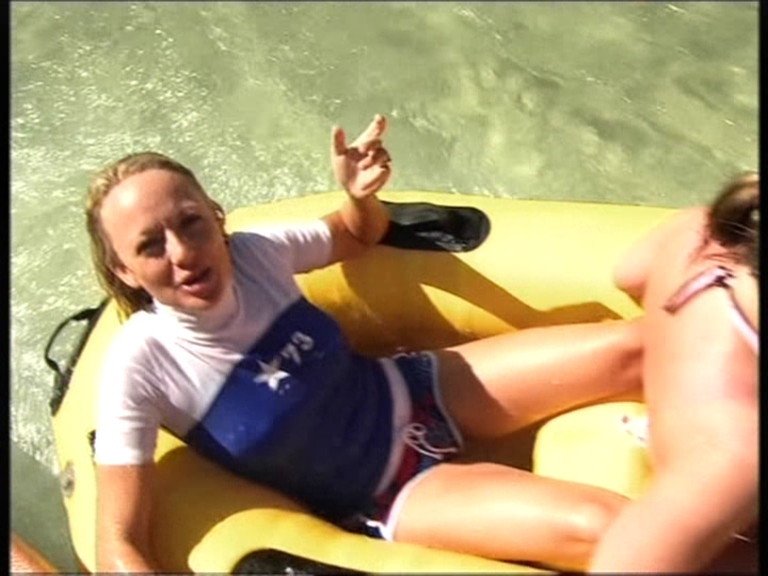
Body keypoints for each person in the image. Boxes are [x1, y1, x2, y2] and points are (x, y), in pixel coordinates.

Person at [87, 114, 644, 573]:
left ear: (215, 216)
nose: (183, 252)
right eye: (151, 245)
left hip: (418, 388)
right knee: (607, 529)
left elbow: (356, 233)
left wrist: (357, 195)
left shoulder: (256, 255)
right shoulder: (141, 366)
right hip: (390, 491)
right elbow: (118, 544)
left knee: (636, 347)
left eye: (190, 223)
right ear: (125, 270)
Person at [589, 172, 759, 572]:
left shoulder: (698, 225)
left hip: (671, 430)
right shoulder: (740, 451)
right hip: (706, 492)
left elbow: (628, 275)